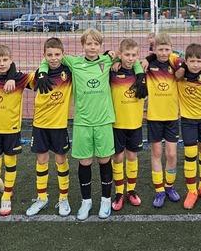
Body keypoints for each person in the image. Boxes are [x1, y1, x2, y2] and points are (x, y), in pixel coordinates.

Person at [37, 28, 145, 220]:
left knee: (105, 161)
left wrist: (140, 75)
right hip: (83, 123)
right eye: (89, 43)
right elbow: (50, 58)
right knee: (85, 162)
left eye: (96, 44)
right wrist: (42, 74)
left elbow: (134, 60)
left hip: (104, 121)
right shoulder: (74, 62)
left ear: (100, 46)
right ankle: (86, 202)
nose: (92, 47)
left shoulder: (108, 60)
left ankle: (105, 200)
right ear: (83, 45)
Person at [0, 44, 30, 217]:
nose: (2, 63)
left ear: (11, 60)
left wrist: (12, 76)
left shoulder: (20, 79)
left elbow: (39, 79)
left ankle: (7, 195)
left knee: (10, 163)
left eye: (5, 60)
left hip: (11, 128)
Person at [26, 38, 75, 217]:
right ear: (44, 56)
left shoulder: (69, 72)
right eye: (49, 55)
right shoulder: (40, 73)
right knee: (42, 161)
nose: (53, 58)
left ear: (63, 54)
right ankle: (42, 197)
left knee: (61, 160)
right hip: (40, 124)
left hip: (59, 125)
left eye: (57, 54)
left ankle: (63, 198)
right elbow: (20, 79)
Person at [144, 32, 183, 208]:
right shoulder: (148, 64)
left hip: (172, 117)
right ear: (155, 49)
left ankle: (169, 186)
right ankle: (159, 190)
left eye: (167, 49)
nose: (163, 53)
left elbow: (184, 65)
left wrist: (177, 60)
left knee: (172, 154)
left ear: (171, 49)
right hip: (154, 117)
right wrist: (147, 58)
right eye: (160, 49)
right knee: (157, 154)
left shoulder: (174, 63)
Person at [110, 38, 148, 212]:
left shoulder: (142, 72)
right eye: (126, 55)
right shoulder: (112, 72)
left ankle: (131, 191)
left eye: (134, 55)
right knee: (117, 158)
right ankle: (118, 192)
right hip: (117, 124)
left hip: (134, 124)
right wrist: (114, 60)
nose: (130, 58)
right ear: (120, 54)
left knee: (132, 157)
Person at [175, 43, 201, 209]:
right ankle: (192, 190)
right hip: (188, 119)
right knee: (190, 153)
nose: (195, 65)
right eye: (192, 61)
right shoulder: (180, 74)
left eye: (199, 61)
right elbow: (167, 57)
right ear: (186, 61)